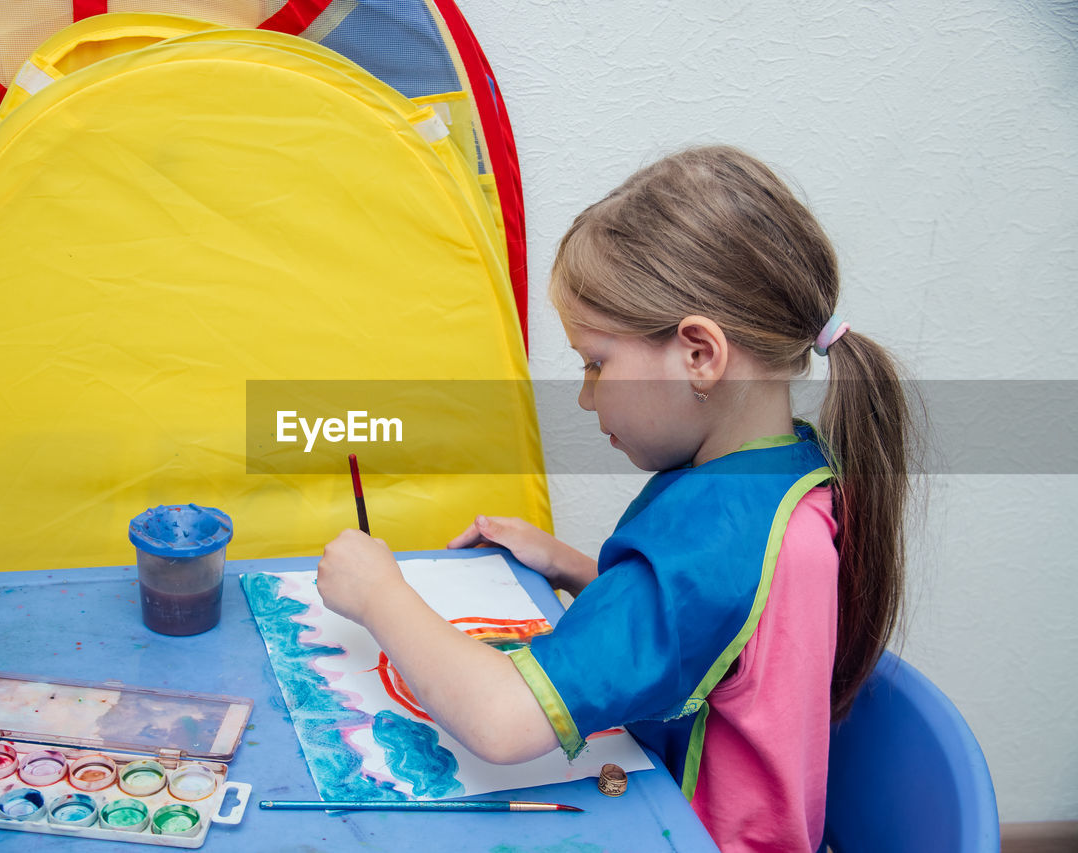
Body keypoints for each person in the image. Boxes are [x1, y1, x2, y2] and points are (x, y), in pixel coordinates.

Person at [316, 145, 913, 852]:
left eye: (597, 362)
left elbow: (502, 721)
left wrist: (378, 591)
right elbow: (721, 639)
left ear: (700, 354)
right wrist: (572, 564)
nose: (585, 393)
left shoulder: (712, 538)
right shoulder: (792, 476)